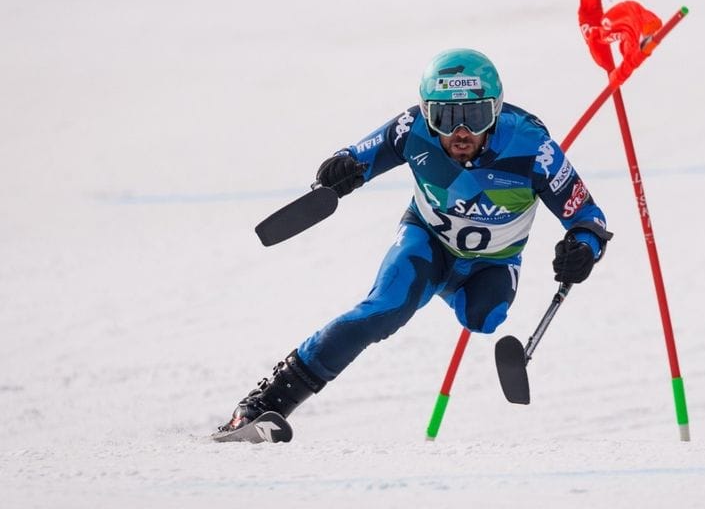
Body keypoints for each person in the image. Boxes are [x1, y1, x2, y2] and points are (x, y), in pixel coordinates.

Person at [218, 48, 612, 433]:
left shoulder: (534, 149)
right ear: (426, 112)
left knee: (485, 318)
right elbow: (358, 157)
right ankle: (264, 403)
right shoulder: (412, 129)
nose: (460, 132)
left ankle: (442, 285)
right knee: (384, 309)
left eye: (474, 116)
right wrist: (340, 170)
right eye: (444, 117)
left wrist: (582, 248)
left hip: (493, 262)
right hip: (427, 241)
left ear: (496, 111)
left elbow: (588, 218)